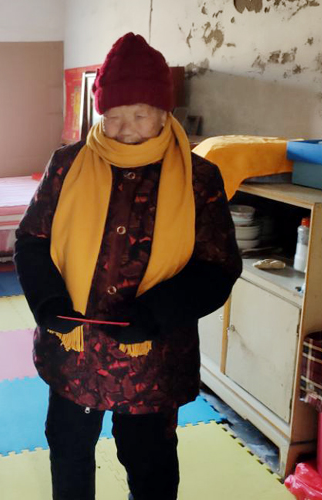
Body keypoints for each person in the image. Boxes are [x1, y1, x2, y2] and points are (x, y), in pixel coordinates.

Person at [14, 33, 242, 500]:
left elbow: (217, 266)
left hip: (152, 359)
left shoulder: (198, 178)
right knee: (69, 451)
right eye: (115, 116)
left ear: (163, 113)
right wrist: (48, 302)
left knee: (149, 462)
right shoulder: (67, 165)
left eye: (140, 115)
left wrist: (156, 313)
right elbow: (31, 240)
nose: (126, 129)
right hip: (74, 354)